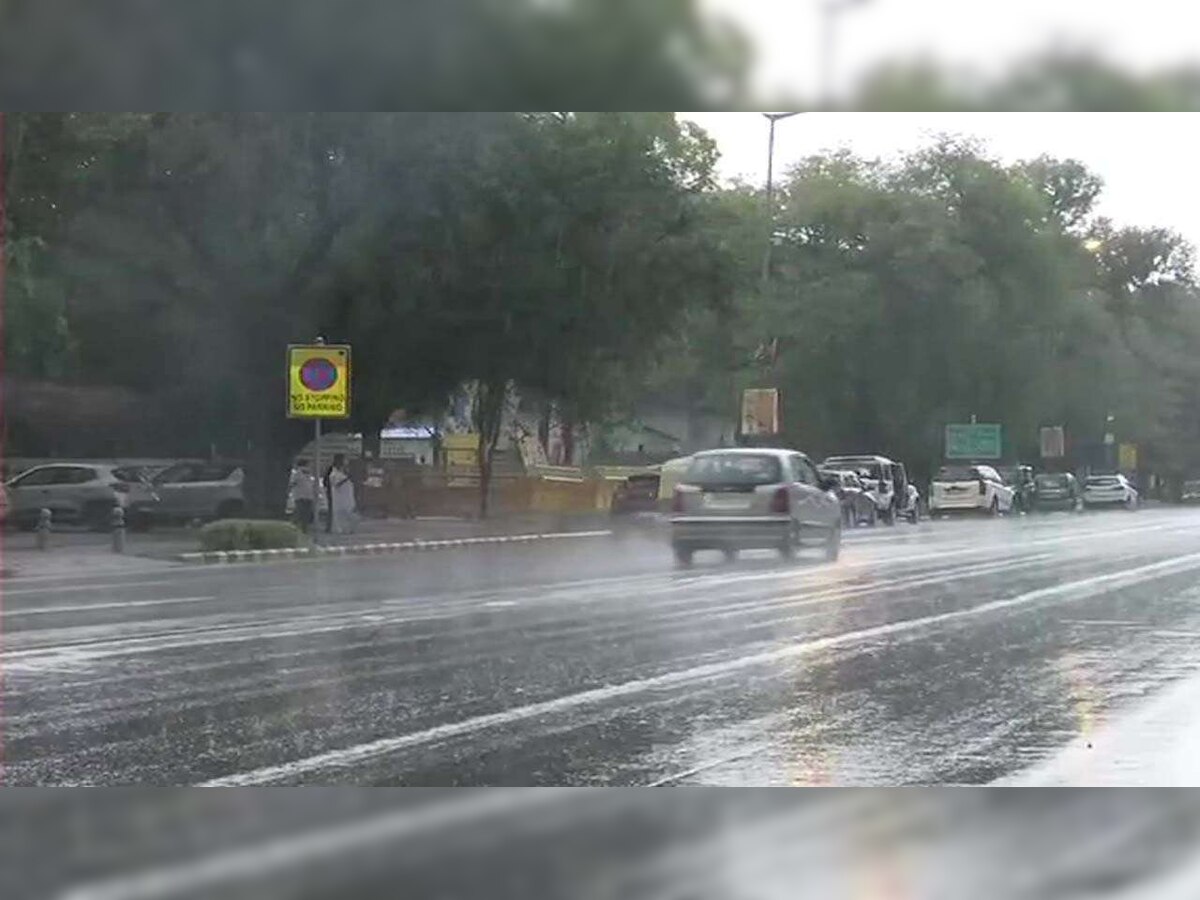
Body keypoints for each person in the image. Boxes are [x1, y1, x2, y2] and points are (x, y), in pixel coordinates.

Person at [325, 453, 357, 534]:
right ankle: (340, 530)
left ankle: (348, 529)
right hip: (340, 498)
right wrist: (347, 479)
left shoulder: (345, 470)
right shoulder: (333, 472)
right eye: (345, 459)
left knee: (350, 514)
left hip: (347, 497)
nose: (346, 461)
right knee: (341, 515)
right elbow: (336, 483)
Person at [290, 461, 316, 533]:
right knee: (299, 513)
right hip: (300, 496)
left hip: (309, 496)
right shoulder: (297, 474)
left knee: (306, 515)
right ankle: (292, 527)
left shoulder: (310, 474)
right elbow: (292, 484)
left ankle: (304, 530)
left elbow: (312, 484)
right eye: (307, 465)